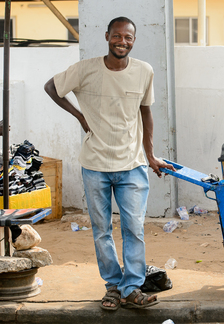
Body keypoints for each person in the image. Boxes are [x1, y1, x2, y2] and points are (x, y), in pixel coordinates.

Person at [44, 16, 175, 311]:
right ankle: (113, 286)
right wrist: (79, 116)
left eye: (128, 37)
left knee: (134, 228)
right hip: (95, 165)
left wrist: (151, 155)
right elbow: (51, 87)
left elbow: (146, 114)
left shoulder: (144, 71)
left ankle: (132, 288)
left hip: (132, 165)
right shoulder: (86, 69)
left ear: (134, 40)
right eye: (117, 36)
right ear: (107, 37)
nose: (122, 42)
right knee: (101, 230)